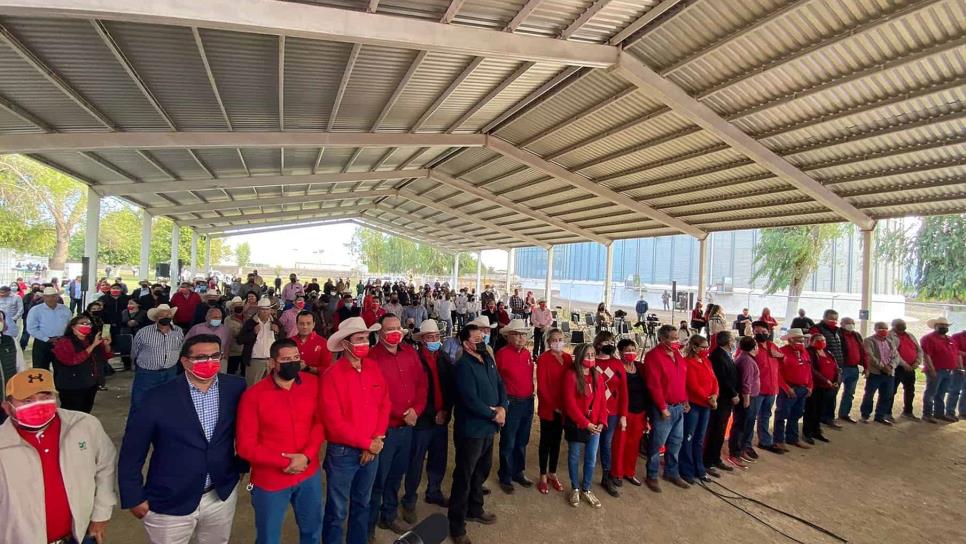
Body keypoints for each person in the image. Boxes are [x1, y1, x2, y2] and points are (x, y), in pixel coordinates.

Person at [118, 334, 247, 544]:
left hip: (220, 494)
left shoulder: (236, 388)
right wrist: (133, 495)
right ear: (185, 361)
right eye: (201, 358)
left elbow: (247, 430)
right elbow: (133, 449)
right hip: (170, 498)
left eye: (215, 356)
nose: (209, 362)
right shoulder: (157, 397)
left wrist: (241, 466)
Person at [0, 368, 117, 544]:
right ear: (7, 408)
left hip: (80, 535)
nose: (38, 405)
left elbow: (105, 467)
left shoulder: (84, 425)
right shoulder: (3, 444)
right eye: (27, 400)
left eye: (45, 397)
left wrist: (101, 514)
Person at [237, 338, 324, 544]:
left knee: (312, 530)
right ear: (272, 363)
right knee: (269, 537)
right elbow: (245, 446)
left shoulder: (312, 385)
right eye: (286, 359)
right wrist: (286, 462)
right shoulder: (253, 396)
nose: (293, 362)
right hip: (270, 481)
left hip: (308, 474)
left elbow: (319, 424)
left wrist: (307, 456)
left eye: (296, 358)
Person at [320, 317, 389, 544]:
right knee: (337, 510)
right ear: (346, 344)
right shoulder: (332, 375)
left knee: (363, 504)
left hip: (372, 446)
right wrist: (367, 443)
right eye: (359, 339)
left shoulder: (373, 367)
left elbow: (384, 404)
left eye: (367, 339)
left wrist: (376, 438)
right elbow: (334, 423)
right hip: (343, 453)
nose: (365, 343)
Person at [367, 314, 427, 538]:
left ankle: (389, 515)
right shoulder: (372, 358)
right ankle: (369, 525)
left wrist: (416, 411)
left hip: (407, 428)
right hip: (385, 430)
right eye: (389, 329)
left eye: (397, 328)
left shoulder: (410, 353)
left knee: (395, 475)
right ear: (380, 333)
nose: (394, 333)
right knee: (377, 480)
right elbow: (373, 395)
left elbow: (422, 384)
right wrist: (402, 414)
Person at [448, 324, 506, 544]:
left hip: (489, 429)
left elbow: (500, 384)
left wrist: (502, 408)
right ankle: (457, 525)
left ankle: (476, 508)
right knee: (464, 476)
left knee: (480, 472)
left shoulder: (488, 359)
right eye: (476, 338)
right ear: (465, 343)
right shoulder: (462, 366)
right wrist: (493, 415)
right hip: (471, 430)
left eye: (482, 336)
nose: (481, 340)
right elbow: (469, 399)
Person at [401, 320, 454, 524]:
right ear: (422, 339)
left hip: (442, 417)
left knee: (439, 458)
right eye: (430, 337)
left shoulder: (444, 358)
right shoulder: (414, 360)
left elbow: (450, 386)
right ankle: (409, 500)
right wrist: (433, 413)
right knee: (415, 461)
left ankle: (434, 491)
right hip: (423, 420)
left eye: (436, 337)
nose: (434, 340)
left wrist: (447, 410)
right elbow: (416, 393)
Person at [558, 342, 607, 510]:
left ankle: (586, 488)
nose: (591, 358)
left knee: (591, 458)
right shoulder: (571, 375)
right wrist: (586, 424)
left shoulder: (597, 376)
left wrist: (601, 421)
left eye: (593, 355)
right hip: (579, 424)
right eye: (588, 356)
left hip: (595, 425)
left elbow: (601, 400)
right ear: (579, 357)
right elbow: (570, 405)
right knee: (574, 456)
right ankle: (575, 488)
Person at [644, 324, 689, 492]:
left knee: (676, 442)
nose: (676, 341)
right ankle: (652, 474)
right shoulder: (653, 356)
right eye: (672, 338)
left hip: (679, 406)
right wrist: (662, 407)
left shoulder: (677, 354)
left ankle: (671, 472)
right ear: (662, 339)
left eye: (677, 337)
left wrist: (685, 399)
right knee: (657, 443)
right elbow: (654, 385)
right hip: (664, 408)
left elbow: (682, 379)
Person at [494, 319, 534, 495]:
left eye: (523, 335)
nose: (520, 338)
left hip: (527, 401)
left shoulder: (527, 354)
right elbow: (497, 381)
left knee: (522, 440)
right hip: (511, 402)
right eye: (517, 334)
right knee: (509, 441)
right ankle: (505, 475)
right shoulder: (502, 354)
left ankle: (518, 471)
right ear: (508, 336)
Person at [129, 304, 185, 415]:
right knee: (140, 403)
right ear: (156, 318)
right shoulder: (143, 332)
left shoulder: (178, 331)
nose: (166, 317)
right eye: (162, 315)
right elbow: (135, 351)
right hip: (147, 373)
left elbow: (180, 347)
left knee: (168, 402)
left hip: (170, 372)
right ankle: (135, 429)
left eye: (168, 315)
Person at [534, 328, 570, 495]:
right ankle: (542, 475)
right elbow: (542, 387)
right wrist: (554, 406)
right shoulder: (543, 359)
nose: (558, 342)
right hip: (549, 408)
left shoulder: (568, 358)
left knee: (557, 441)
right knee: (546, 442)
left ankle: (552, 473)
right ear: (548, 342)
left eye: (560, 339)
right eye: (554, 340)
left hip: (564, 408)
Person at [51, 315, 111, 413]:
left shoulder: (91, 339)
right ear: (73, 327)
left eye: (89, 324)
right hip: (71, 385)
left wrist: (106, 345)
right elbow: (72, 360)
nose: (87, 326)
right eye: (83, 323)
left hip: (90, 383)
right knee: (71, 413)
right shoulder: (63, 342)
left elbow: (106, 356)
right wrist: (93, 346)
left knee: (85, 412)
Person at [680, 334, 717, 483]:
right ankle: (686, 470)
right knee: (688, 437)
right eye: (703, 347)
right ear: (694, 348)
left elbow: (714, 380)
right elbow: (693, 385)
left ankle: (699, 469)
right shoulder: (687, 363)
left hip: (707, 405)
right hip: (695, 405)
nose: (706, 350)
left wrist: (715, 395)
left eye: (707, 347)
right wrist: (708, 399)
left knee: (699, 439)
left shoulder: (707, 361)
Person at [593, 330, 626, 497]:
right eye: (606, 342)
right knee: (592, 445)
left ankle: (607, 476)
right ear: (598, 344)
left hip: (612, 412)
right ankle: (585, 479)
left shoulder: (617, 364)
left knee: (606, 443)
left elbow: (624, 391)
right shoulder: (591, 363)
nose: (610, 345)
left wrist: (623, 414)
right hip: (594, 412)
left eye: (612, 342)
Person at [611, 338, 647, 487]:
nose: (631, 353)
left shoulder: (640, 367)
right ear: (620, 353)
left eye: (633, 350)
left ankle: (629, 472)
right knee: (620, 443)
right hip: (624, 412)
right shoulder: (617, 368)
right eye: (627, 350)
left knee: (634, 444)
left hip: (640, 412)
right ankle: (617, 473)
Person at [707, 331, 739, 474]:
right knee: (716, 430)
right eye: (732, 340)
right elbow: (722, 379)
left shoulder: (726, 354)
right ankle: (709, 460)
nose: (734, 342)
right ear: (727, 342)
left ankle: (715, 458)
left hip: (726, 400)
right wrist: (733, 394)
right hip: (722, 399)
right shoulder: (717, 356)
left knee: (720, 430)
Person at [774, 329, 812, 451]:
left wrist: (810, 386)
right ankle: (778, 440)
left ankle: (792, 437)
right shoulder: (782, 352)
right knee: (782, 414)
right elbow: (777, 372)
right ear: (790, 340)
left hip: (803, 388)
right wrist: (786, 387)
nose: (801, 342)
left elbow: (808, 369)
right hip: (789, 388)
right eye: (798, 340)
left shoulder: (804, 352)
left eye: (802, 340)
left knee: (796, 414)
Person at [809, 310, 846, 428]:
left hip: (836, 367)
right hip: (821, 369)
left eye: (836, 318)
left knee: (832, 395)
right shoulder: (817, 329)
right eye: (831, 318)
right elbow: (814, 346)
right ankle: (817, 421)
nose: (834, 321)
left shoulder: (837, 331)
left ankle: (828, 418)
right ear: (824, 317)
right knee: (819, 399)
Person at [729, 335, 762, 466]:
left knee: (746, 424)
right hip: (747, 397)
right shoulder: (747, 361)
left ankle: (742, 449)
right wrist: (747, 399)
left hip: (750, 396)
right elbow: (746, 382)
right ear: (754, 347)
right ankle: (735, 453)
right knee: (741, 425)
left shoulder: (744, 357)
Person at [752, 321, 784, 455]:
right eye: (757, 332)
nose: (761, 334)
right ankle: (744, 445)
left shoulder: (773, 346)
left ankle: (765, 441)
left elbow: (784, 360)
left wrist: (781, 356)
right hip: (757, 390)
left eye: (763, 332)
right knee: (750, 417)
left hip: (771, 389)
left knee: (765, 415)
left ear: (769, 332)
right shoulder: (752, 347)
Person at [920, 316, 958, 423]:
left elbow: (954, 353)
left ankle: (939, 413)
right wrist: (931, 369)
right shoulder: (928, 338)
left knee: (941, 393)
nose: (944, 327)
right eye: (942, 325)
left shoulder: (950, 339)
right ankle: (927, 414)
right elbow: (926, 355)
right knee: (931, 392)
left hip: (948, 370)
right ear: (935, 326)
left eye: (945, 325)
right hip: (936, 369)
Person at [803, 333, 839, 444]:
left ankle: (816, 431)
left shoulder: (828, 352)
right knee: (811, 410)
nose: (822, 342)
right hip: (815, 386)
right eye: (818, 340)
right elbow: (811, 369)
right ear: (812, 341)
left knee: (820, 410)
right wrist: (825, 380)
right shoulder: (809, 352)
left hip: (828, 387)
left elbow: (836, 367)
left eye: (823, 340)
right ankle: (807, 432)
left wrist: (836, 380)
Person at [26, 287, 72, 371]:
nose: (51, 299)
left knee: (62, 369)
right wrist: (47, 339)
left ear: (57, 297)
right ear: (44, 297)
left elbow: (70, 325)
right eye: (48, 296)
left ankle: (59, 384)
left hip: (61, 342)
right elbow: (31, 328)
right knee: (41, 370)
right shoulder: (36, 310)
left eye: (53, 296)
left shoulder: (65, 309)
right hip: (42, 343)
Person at [861, 322, 899, 424]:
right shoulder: (868, 341)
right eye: (880, 328)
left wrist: (891, 366)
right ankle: (865, 415)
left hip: (889, 373)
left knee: (887, 395)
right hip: (875, 372)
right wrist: (882, 367)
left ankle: (880, 416)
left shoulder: (890, 341)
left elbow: (896, 356)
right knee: (869, 394)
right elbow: (870, 356)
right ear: (875, 329)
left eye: (885, 328)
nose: (883, 330)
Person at [237, 298, 280, 387]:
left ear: (270, 310)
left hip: (271, 361)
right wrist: (253, 333)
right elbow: (240, 340)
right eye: (262, 309)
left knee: (270, 387)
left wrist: (278, 331)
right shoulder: (251, 322)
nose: (265, 312)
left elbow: (282, 340)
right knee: (252, 387)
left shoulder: (275, 322)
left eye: (267, 309)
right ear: (258, 309)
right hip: (254, 361)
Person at [890, 319, 922, 419]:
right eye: (900, 325)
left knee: (910, 390)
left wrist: (917, 362)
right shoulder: (890, 336)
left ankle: (908, 412)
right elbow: (894, 352)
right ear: (893, 326)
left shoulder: (910, 335)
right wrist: (904, 364)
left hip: (911, 367)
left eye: (904, 324)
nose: (903, 326)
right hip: (897, 367)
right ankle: (887, 413)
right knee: (891, 391)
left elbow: (919, 349)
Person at [837, 316, 867, 423]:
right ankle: (827, 416)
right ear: (842, 324)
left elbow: (862, 351)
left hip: (854, 368)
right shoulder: (837, 334)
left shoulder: (856, 335)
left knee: (850, 393)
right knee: (833, 392)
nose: (851, 325)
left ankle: (844, 414)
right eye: (848, 323)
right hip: (841, 368)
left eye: (853, 322)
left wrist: (866, 366)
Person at [224, 298, 246, 376]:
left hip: (246, 351)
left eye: (240, 306)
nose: (239, 308)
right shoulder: (228, 320)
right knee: (231, 372)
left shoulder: (247, 318)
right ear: (232, 308)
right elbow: (230, 334)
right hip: (233, 351)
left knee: (244, 373)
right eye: (236, 306)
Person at [948, 327, 966, 421]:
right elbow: (954, 350)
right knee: (955, 390)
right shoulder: (957, 337)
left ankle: (963, 412)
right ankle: (950, 412)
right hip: (959, 367)